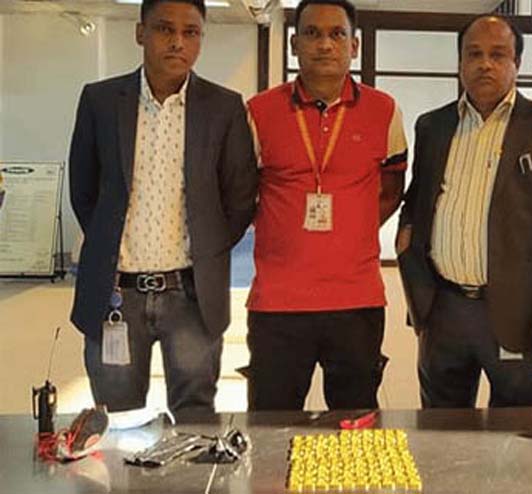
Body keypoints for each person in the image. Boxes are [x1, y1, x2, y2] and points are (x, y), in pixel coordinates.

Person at [69, 0, 258, 415]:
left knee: (195, 417)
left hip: (192, 294)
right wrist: (109, 244)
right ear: (141, 33)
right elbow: (83, 190)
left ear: (201, 39)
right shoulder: (101, 101)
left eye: (191, 32)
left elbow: (241, 197)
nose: (177, 42)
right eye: (164, 29)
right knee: (117, 416)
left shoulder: (224, 107)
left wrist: (206, 249)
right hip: (116, 295)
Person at [397, 15, 532, 408]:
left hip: (520, 313)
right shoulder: (433, 126)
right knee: (442, 428)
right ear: (460, 62)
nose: (485, 64)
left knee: (517, 434)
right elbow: (417, 203)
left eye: (498, 55)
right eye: (474, 54)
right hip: (444, 309)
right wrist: (411, 268)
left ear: (517, 64)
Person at [244, 0, 408, 411]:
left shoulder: (384, 110)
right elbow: (242, 193)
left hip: (356, 301)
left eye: (337, 34)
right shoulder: (259, 111)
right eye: (312, 33)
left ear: (354, 45)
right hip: (278, 302)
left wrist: (352, 231)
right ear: (294, 43)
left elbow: (392, 189)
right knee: (271, 423)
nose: (324, 44)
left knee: (354, 424)